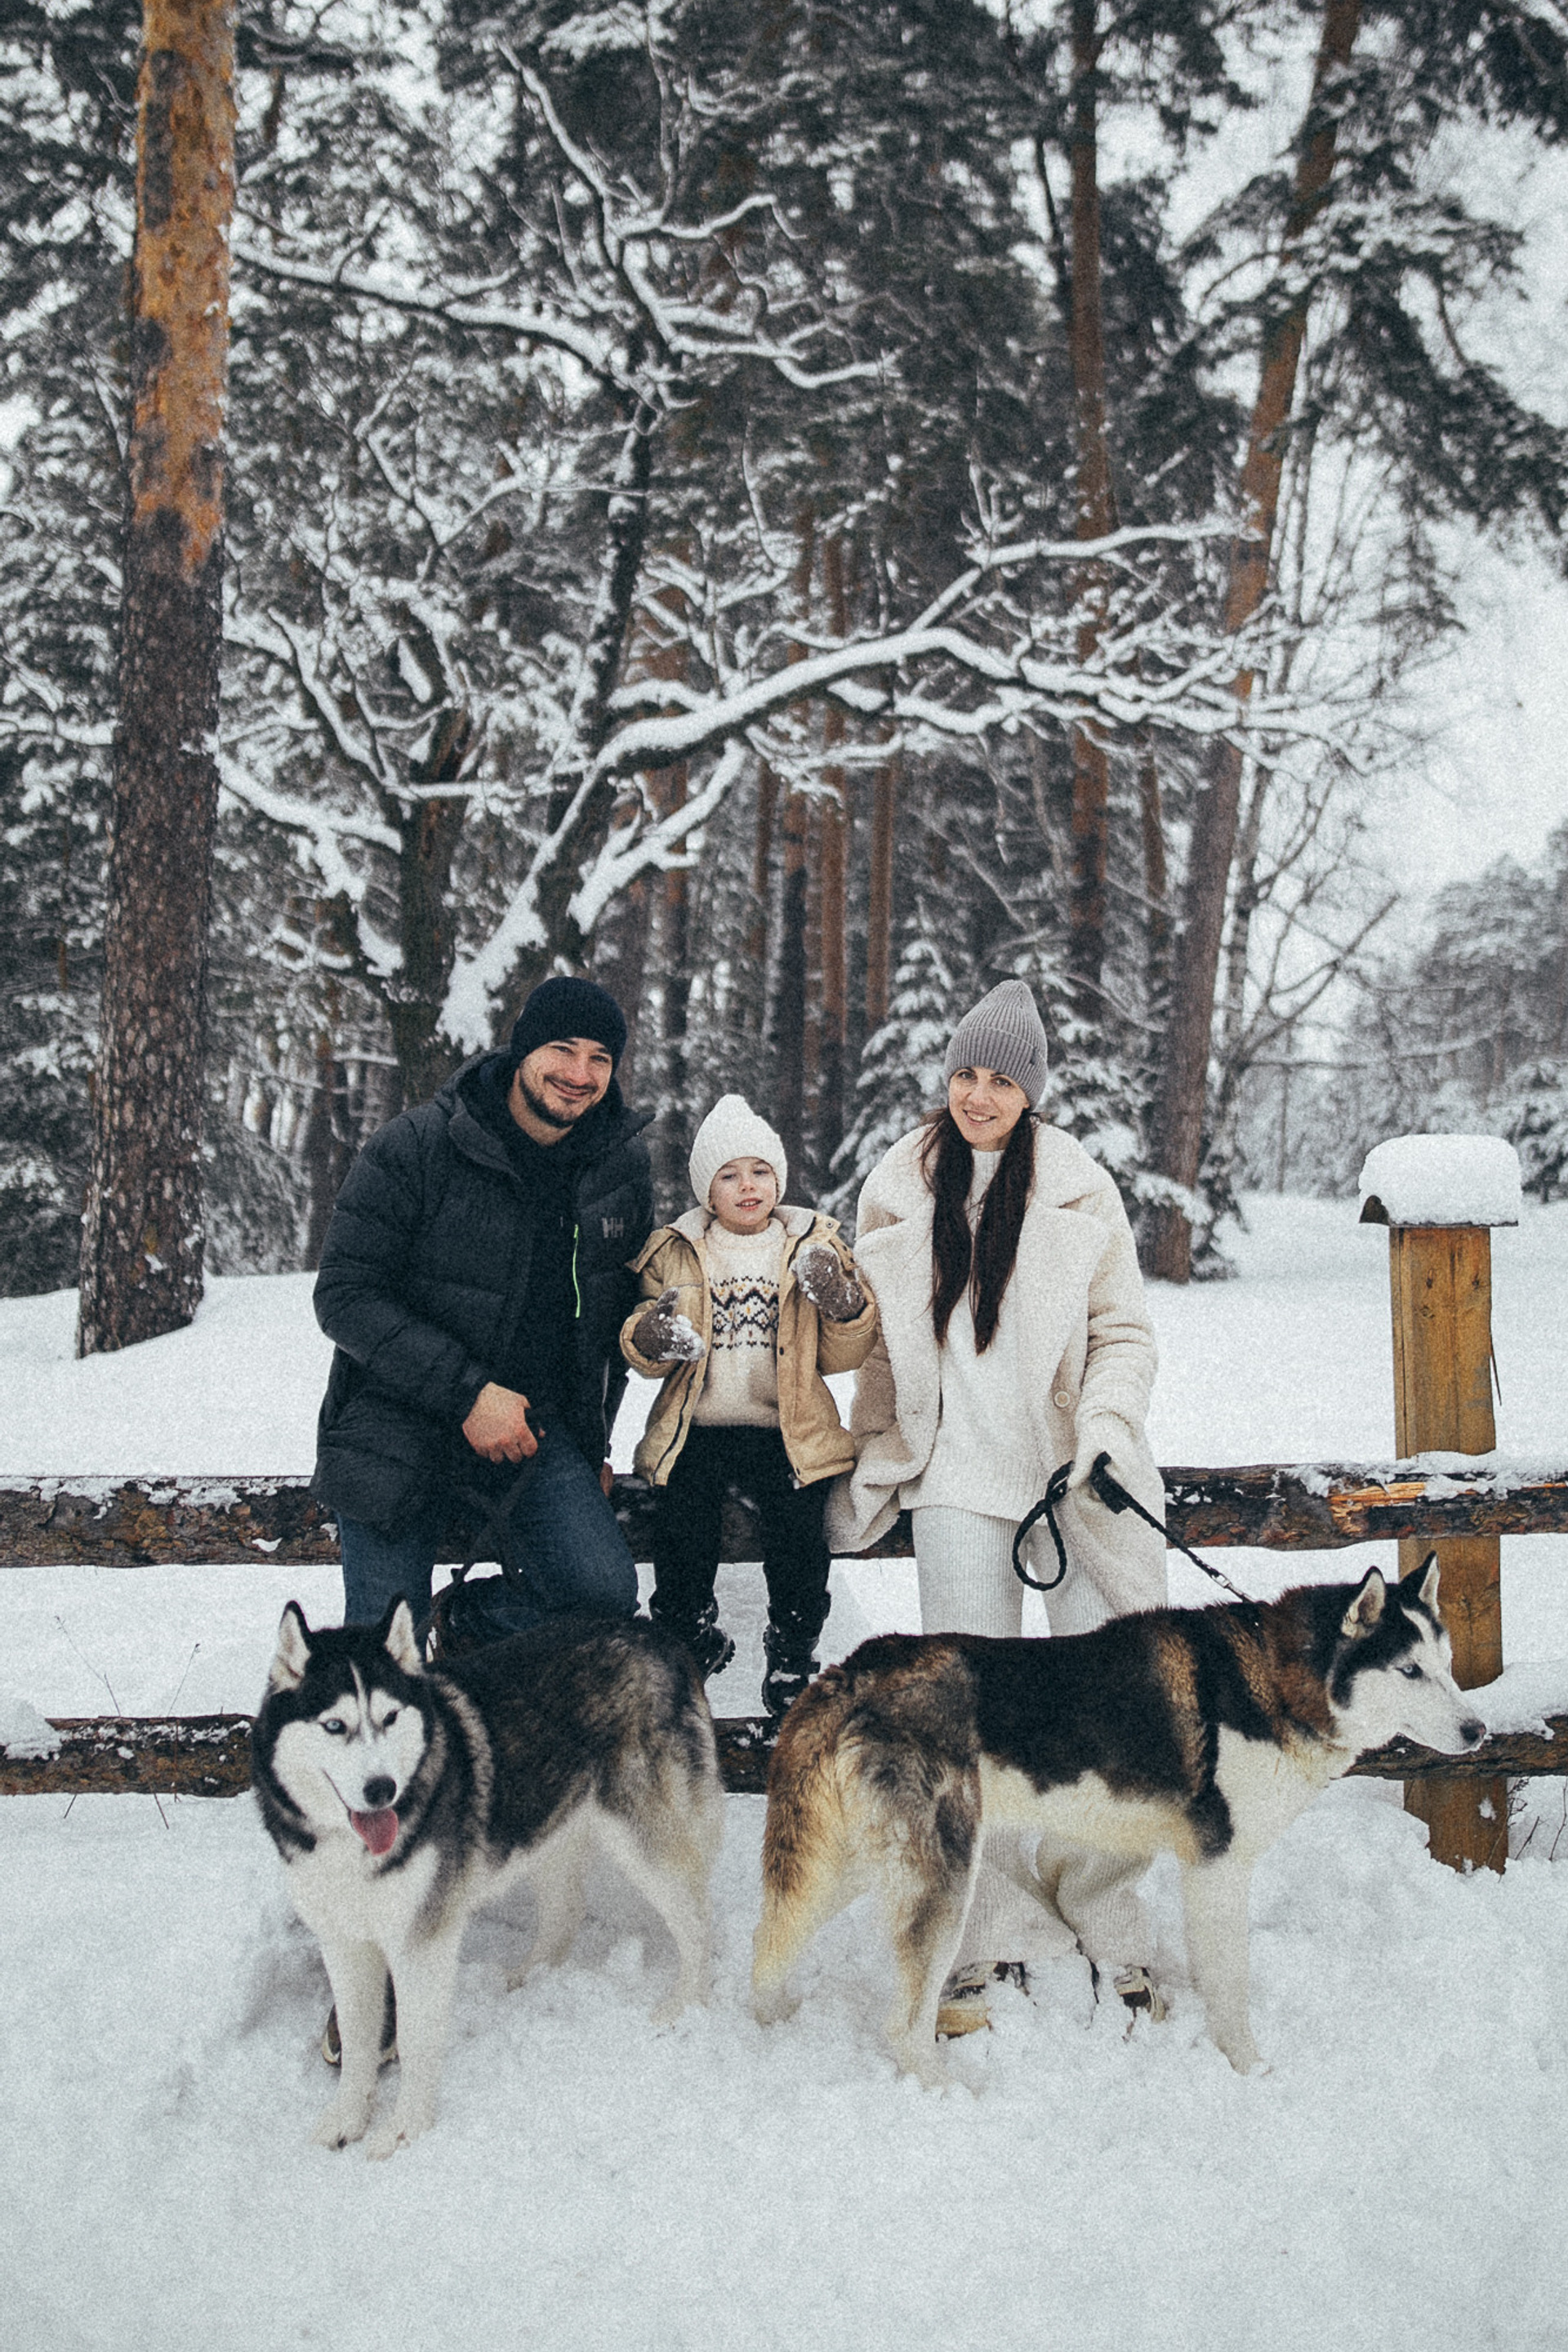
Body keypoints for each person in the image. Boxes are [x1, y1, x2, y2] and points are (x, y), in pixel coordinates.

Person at [826, 978, 1167, 2037]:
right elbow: (855, 1343)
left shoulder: (1079, 1189)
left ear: (1032, 1091)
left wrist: (1106, 1434)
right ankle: (981, 1927)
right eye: (966, 1073)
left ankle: (1099, 1902)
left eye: (1002, 1078)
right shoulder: (896, 1184)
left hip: (1072, 1485)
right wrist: (831, 1314)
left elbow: (1126, 1336)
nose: (978, 1094)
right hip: (953, 1485)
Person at [311, 974, 653, 1646]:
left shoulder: (618, 1167)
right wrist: (469, 1395)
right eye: (563, 1049)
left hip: (535, 1434)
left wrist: (592, 1451)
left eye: (600, 1060)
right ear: (522, 1049)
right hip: (396, 1425)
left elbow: (608, 1330)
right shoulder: (415, 1146)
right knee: (387, 1650)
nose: (580, 1075)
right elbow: (344, 1295)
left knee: (602, 1598)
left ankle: (467, 1623)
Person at [621, 1095, 879, 1718]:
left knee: (798, 1538)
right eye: (729, 1175)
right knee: (683, 1528)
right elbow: (638, 1339)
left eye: (760, 1172)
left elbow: (845, 1353)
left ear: (779, 1180)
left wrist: (842, 1304)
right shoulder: (675, 1250)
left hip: (783, 1427)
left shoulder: (809, 1245)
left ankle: (793, 1650)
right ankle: (688, 1634)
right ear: (707, 1191)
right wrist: (654, 1338)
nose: (747, 1187)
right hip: (699, 1427)